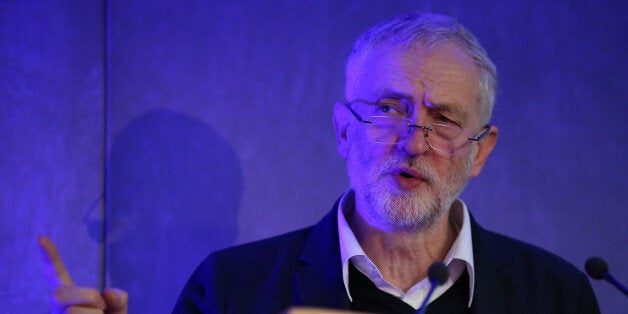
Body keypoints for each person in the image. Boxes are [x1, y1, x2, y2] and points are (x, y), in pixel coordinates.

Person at [39, 12, 600, 314]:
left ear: (480, 151)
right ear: (342, 130)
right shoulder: (231, 290)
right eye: (388, 109)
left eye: (445, 119)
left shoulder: (558, 296)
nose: (413, 140)